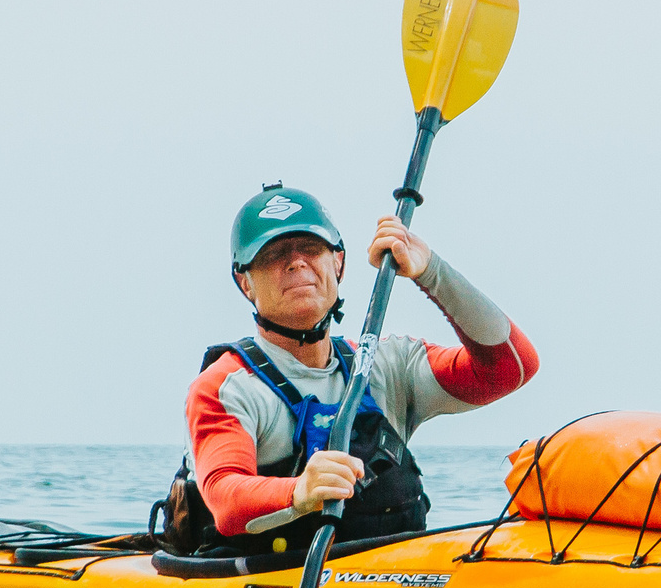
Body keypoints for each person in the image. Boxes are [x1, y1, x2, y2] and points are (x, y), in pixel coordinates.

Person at [161, 183, 539, 557]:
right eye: (274, 254)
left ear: (338, 262)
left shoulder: (388, 366)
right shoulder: (225, 386)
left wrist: (431, 271)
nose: (296, 262)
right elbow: (225, 501)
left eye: (310, 248)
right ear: (245, 282)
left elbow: (511, 368)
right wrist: (299, 492)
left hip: (388, 584)